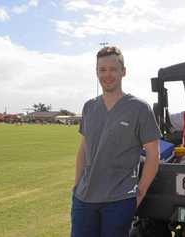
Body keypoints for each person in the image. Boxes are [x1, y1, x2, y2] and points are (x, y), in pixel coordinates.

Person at [71, 46, 161, 237]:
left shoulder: (139, 108)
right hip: (84, 200)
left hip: (119, 200)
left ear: (123, 71)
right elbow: (83, 150)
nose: (107, 74)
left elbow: (153, 154)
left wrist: (140, 192)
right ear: (96, 72)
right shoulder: (89, 107)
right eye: (102, 70)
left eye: (113, 69)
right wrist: (77, 185)